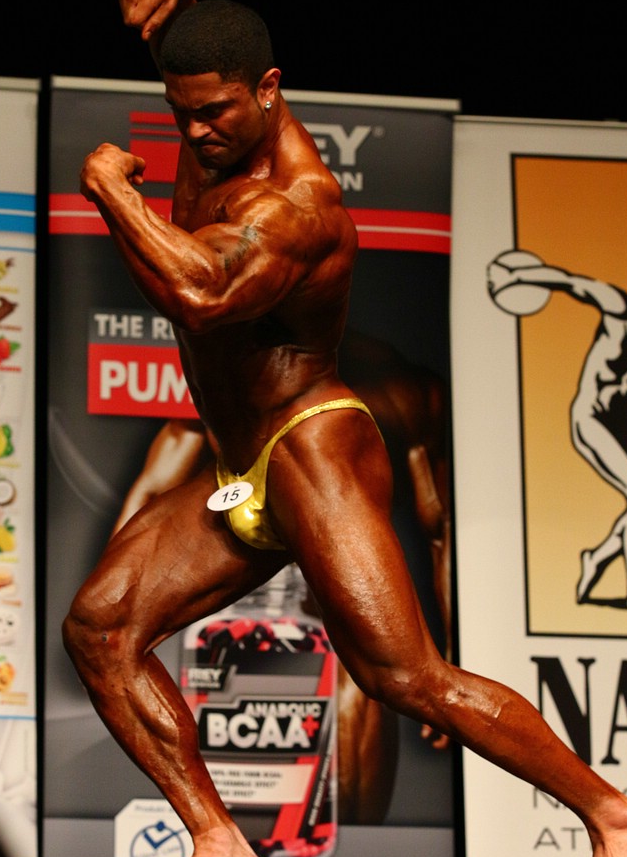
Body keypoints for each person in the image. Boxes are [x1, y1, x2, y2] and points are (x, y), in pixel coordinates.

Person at [64, 0, 627, 857]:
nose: (196, 131)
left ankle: (613, 815)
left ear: (269, 90)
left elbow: (201, 295)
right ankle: (218, 838)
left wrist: (111, 188)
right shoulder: (221, 115)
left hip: (312, 446)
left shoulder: (301, 208)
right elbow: (208, 58)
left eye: (213, 113)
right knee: (101, 630)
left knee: (403, 677)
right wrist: (177, 2)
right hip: (238, 464)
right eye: (181, 113)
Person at [108, 332, 453, 825]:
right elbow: (153, 488)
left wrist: (448, 657)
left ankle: (354, 850)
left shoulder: (404, 391)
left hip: (334, 580)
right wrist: (116, 622)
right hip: (244, 581)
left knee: (364, 682)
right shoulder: (238, 376)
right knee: (222, 690)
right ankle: (226, 837)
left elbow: (439, 531)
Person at [487, 256, 627, 611]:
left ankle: (597, 558)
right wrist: (519, 276)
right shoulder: (622, 310)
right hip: (592, 420)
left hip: (622, 427)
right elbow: (571, 282)